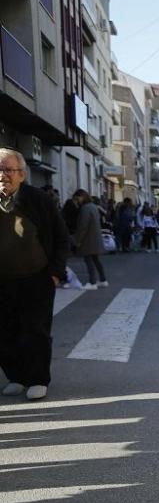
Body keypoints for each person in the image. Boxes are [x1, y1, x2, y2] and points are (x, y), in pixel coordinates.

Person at [0, 148, 70, 401]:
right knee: (5, 331)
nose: (2, 175)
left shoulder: (38, 199)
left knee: (34, 330)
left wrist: (55, 272)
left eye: (7, 170)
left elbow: (62, 238)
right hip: (3, 280)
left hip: (36, 277)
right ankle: (17, 376)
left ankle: (38, 378)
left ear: (22, 173)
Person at [72, 190, 108, 290]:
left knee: (89, 261)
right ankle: (103, 280)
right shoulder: (93, 206)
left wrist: (77, 240)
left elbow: (82, 226)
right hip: (95, 237)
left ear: (82, 197)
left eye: (77, 199)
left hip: (88, 239)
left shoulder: (85, 208)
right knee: (96, 260)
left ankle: (92, 282)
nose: (77, 201)